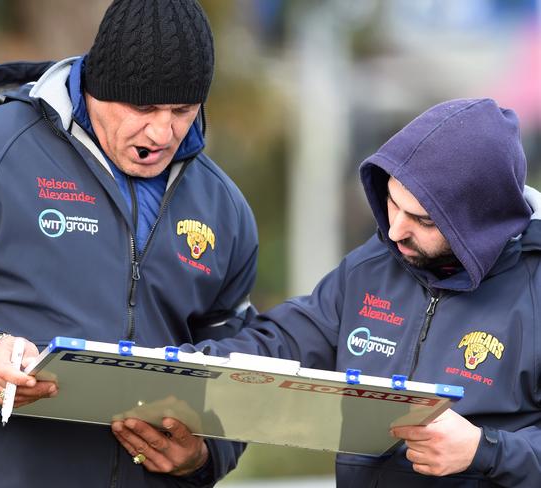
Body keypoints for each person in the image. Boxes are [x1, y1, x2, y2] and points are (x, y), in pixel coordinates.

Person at [0, 0, 258, 486]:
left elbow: (239, 362)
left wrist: (207, 452)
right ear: (95, 86)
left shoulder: (225, 209)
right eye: (144, 107)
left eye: (183, 110)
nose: (163, 131)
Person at [175, 98, 541, 487]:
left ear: (479, 223)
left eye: (423, 219)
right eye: (392, 201)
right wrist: (185, 371)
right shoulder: (372, 264)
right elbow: (284, 342)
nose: (396, 229)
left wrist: (484, 451)